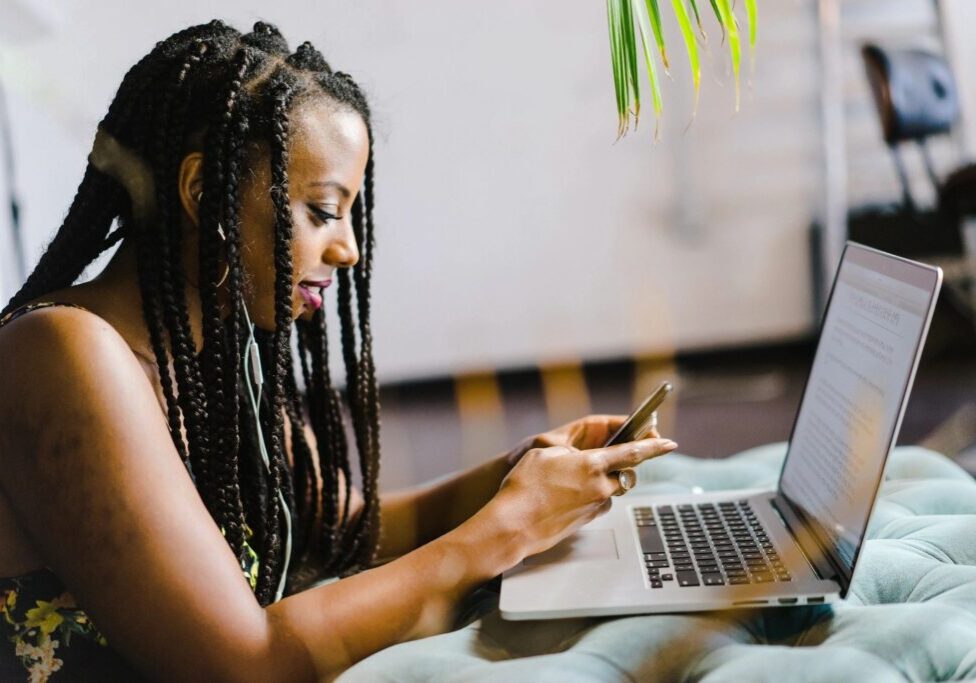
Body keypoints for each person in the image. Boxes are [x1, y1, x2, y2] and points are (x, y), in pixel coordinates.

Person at [0, 20, 677, 682]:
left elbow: (345, 528)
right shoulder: (63, 352)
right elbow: (241, 663)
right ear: (205, 194)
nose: (348, 248)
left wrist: (519, 470)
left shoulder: (221, 351)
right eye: (323, 211)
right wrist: (506, 528)